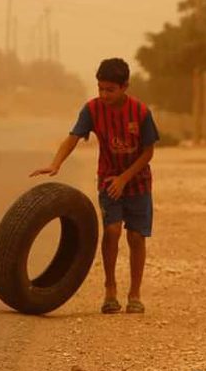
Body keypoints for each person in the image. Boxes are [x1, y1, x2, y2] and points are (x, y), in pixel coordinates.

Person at [30, 58, 159, 314]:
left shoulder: (141, 112)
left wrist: (125, 178)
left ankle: (135, 293)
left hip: (138, 183)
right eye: (100, 88)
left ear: (125, 87)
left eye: (110, 89)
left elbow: (148, 152)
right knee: (112, 231)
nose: (104, 94)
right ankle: (110, 289)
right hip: (109, 180)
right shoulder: (92, 110)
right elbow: (73, 138)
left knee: (136, 236)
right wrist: (56, 164)